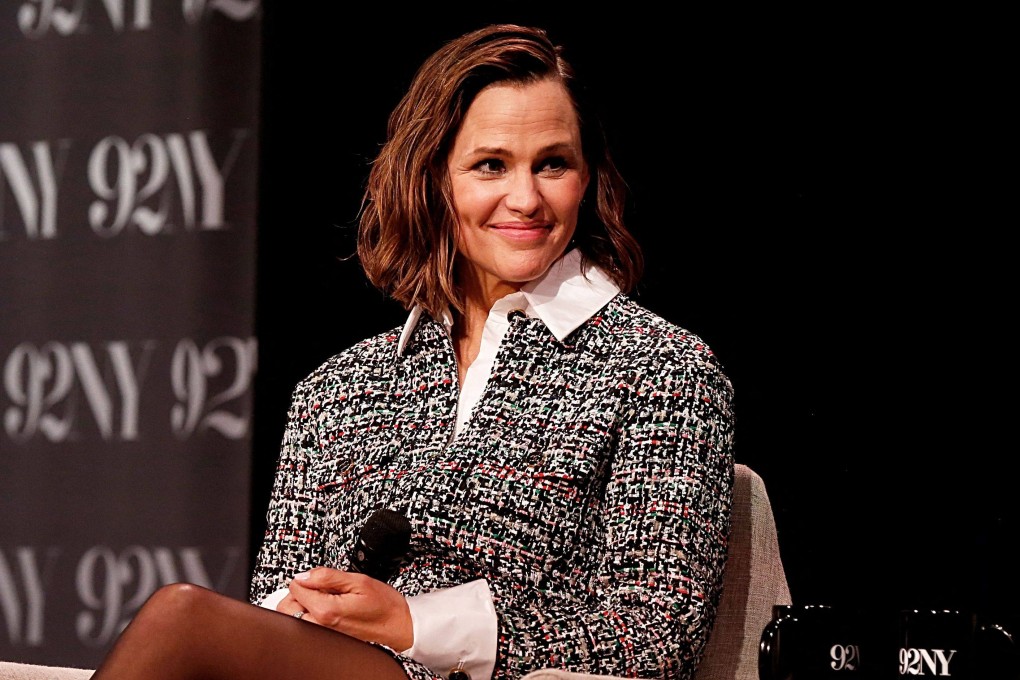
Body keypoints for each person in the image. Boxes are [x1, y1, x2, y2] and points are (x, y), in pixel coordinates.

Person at [91, 22, 735, 680]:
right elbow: (277, 606)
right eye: (491, 165)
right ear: (433, 180)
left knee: (182, 617)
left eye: (552, 164)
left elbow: (657, 634)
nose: (526, 199)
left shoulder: (661, 366)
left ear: (586, 177)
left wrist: (413, 624)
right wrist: (305, 607)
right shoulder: (338, 388)